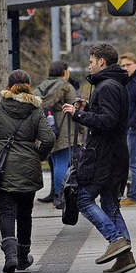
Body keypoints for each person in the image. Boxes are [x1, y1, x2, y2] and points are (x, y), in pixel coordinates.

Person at [62, 43, 136, 273]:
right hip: (114, 155)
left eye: (91, 61)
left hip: (104, 156)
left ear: (101, 62)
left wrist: (79, 114)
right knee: (111, 205)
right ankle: (125, 257)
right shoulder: (114, 85)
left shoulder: (107, 86)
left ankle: (115, 239)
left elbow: (108, 120)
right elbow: (108, 115)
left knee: (83, 198)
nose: (89, 65)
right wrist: (88, 106)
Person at [0, 70, 55, 273]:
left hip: (2, 168)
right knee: (25, 213)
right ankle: (22, 256)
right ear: (29, 86)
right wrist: (38, 155)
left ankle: (10, 256)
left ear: (8, 85)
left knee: (6, 212)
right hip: (28, 167)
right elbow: (48, 139)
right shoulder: (35, 111)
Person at [34, 61, 78, 208]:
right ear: (65, 72)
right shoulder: (66, 87)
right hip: (64, 128)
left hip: (46, 127)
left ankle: (55, 193)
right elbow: (74, 107)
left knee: (54, 160)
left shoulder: (42, 87)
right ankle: (60, 196)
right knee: (62, 162)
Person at [119, 52, 136, 207]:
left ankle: (134, 195)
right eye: (123, 66)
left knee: (134, 162)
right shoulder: (127, 81)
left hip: (134, 127)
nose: (125, 68)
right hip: (129, 126)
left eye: (128, 65)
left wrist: (131, 124)